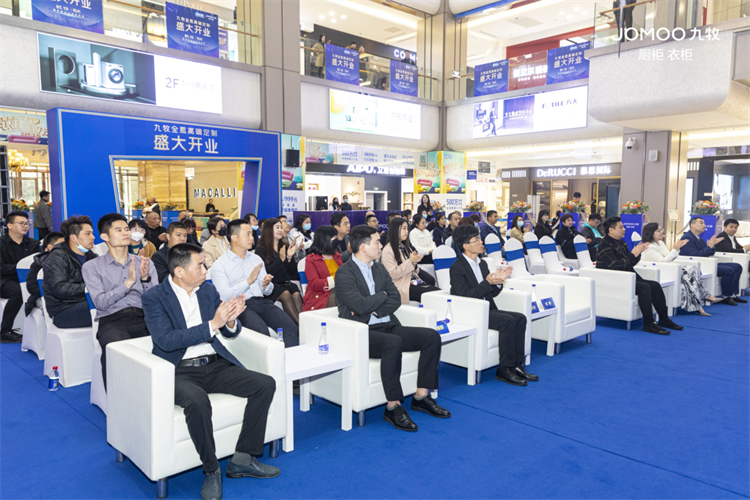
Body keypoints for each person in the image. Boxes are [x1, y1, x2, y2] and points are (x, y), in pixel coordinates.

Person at [141, 243, 279, 500]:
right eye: (200, 266)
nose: (206, 270)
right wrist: (212, 324)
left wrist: (230, 321)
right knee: (197, 401)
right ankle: (211, 469)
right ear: (180, 271)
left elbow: (227, 332)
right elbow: (166, 340)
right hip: (180, 370)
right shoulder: (155, 297)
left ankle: (242, 458)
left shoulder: (207, 290)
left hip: (215, 364)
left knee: (265, 384)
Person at [335, 225, 450, 431]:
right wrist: (381, 296)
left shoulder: (378, 268)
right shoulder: (344, 273)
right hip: (362, 333)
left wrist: (374, 308)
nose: (381, 245)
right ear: (363, 247)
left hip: (387, 324)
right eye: (377, 242)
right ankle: (393, 406)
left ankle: (421, 397)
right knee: (393, 343)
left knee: (432, 336)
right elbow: (359, 305)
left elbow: (395, 298)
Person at [450, 225, 537, 386]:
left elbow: (492, 293)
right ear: (466, 245)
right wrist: (487, 283)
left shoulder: (482, 264)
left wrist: (498, 282)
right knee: (507, 321)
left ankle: (517, 365)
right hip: (471, 312)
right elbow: (465, 296)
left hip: (487, 308)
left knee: (520, 318)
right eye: (476, 240)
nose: (481, 242)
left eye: (479, 239)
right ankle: (504, 369)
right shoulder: (457, 268)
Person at [82, 214, 156, 387]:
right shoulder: (92, 267)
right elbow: (100, 303)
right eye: (119, 230)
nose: (126, 233)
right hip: (113, 320)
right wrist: (128, 283)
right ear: (105, 236)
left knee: (166, 344)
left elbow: (155, 301)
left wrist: (145, 279)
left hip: (144, 317)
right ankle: (118, 400)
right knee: (117, 350)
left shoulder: (145, 263)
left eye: (127, 229)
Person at [212, 220, 299, 347]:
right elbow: (223, 296)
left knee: (290, 327)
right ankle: (268, 360)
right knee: (262, 334)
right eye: (247, 234)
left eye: (252, 234)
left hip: (262, 302)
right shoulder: (220, 264)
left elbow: (268, 291)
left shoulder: (255, 259)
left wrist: (266, 284)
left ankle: (286, 358)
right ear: (234, 237)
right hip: (240, 307)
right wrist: (248, 281)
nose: (252, 238)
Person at [596, 217, 683, 334]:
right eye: (621, 227)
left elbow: (630, 263)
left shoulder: (622, 243)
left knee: (655, 285)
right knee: (644, 287)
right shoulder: (604, 245)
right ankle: (648, 324)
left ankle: (664, 319)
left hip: (627, 276)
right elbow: (615, 265)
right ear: (611, 230)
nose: (624, 229)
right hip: (613, 279)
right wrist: (633, 254)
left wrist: (638, 253)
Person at [640, 223, 719, 316]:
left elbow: (669, 257)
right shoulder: (648, 247)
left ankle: (700, 305)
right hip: (658, 271)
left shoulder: (660, 243)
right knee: (689, 274)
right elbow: (663, 262)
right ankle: (705, 298)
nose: (661, 232)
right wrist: (675, 249)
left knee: (692, 271)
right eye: (658, 230)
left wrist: (677, 249)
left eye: (661, 230)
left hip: (668, 268)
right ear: (650, 233)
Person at [42, 215, 97, 328]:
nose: (93, 237)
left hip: (85, 302)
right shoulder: (57, 257)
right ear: (73, 238)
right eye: (87, 234)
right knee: (109, 306)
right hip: (63, 310)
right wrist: (91, 288)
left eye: (92, 233)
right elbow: (60, 288)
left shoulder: (92, 256)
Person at [679, 217, 745, 305]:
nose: (704, 225)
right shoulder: (688, 238)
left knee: (737, 266)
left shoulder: (699, 238)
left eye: (704, 223)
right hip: (698, 265)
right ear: (692, 225)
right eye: (701, 223)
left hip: (707, 263)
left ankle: (733, 294)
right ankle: (726, 296)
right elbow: (695, 255)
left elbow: (710, 252)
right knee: (729, 270)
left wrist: (713, 245)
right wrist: (709, 246)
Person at [0, 211, 40, 342]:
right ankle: (5, 331)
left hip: (27, 279)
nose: (25, 226)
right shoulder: (1, 243)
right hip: (4, 280)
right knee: (17, 291)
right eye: (21, 223)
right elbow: (1, 268)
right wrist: (20, 267)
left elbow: (38, 264)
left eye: (27, 223)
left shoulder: (33, 244)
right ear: (9, 225)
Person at [254, 218, 303, 324]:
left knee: (295, 292)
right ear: (268, 230)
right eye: (277, 227)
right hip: (271, 285)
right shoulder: (261, 249)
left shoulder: (284, 245)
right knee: (285, 294)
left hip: (285, 282)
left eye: (281, 227)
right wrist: (280, 259)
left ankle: (301, 323)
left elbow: (291, 271)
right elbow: (266, 271)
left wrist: (289, 257)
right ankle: (300, 326)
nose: (280, 230)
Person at [383, 218, 439, 304]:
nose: (407, 231)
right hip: (402, 284)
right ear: (395, 230)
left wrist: (414, 262)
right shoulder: (388, 250)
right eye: (404, 228)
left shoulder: (405, 247)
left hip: (412, 280)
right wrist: (410, 261)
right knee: (432, 296)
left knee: (438, 292)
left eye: (407, 228)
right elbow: (392, 274)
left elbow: (414, 270)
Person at [302, 226, 342, 312]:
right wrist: (337, 278)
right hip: (322, 295)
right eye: (334, 237)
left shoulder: (337, 256)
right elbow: (315, 284)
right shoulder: (311, 259)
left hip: (340, 290)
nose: (336, 240)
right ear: (325, 239)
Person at [25, 231, 64, 317]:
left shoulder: (68, 260)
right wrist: (51, 291)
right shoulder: (39, 263)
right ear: (50, 247)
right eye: (62, 245)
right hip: (41, 296)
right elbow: (31, 286)